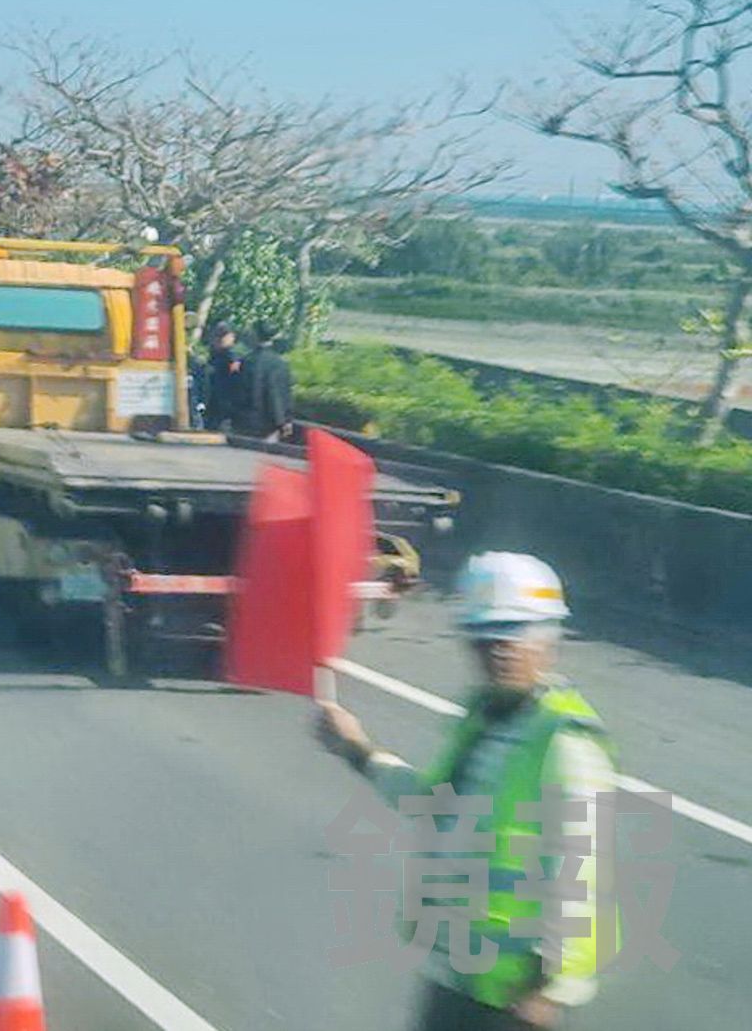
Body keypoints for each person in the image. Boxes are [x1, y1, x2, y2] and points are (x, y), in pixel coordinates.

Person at [317, 552, 619, 1031]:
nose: (498, 652)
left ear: (548, 642)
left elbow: (579, 865)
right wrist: (357, 748)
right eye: (484, 639)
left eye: (513, 635)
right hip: (459, 971)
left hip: (518, 994)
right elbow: (432, 803)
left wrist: (550, 985)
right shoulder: (480, 722)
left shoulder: (564, 739)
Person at [237, 324, 293, 440]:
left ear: (255, 336)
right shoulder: (279, 363)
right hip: (269, 422)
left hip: (245, 420)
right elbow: (278, 394)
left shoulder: (246, 361)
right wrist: (283, 421)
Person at [203, 322, 243, 432]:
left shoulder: (232, 357)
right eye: (218, 335)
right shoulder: (214, 356)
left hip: (226, 407)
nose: (221, 339)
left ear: (232, 337)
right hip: (213, 405)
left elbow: (237, 383)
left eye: (224, 335)